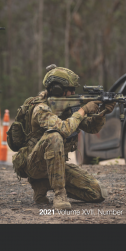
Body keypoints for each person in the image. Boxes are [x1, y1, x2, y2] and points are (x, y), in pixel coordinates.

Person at [11, 65, 115, 210]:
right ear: (57, 89)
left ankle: (45, 184)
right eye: (70, 89)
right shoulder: (40, 108)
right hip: (35, 165)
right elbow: (64, 129)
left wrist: (102, 113)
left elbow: (91, 128)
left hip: (56, 166)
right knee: (54, 136)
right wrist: (83, 110)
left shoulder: (66, 108)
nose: (73, 93)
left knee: (97, 193)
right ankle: (59, 195)